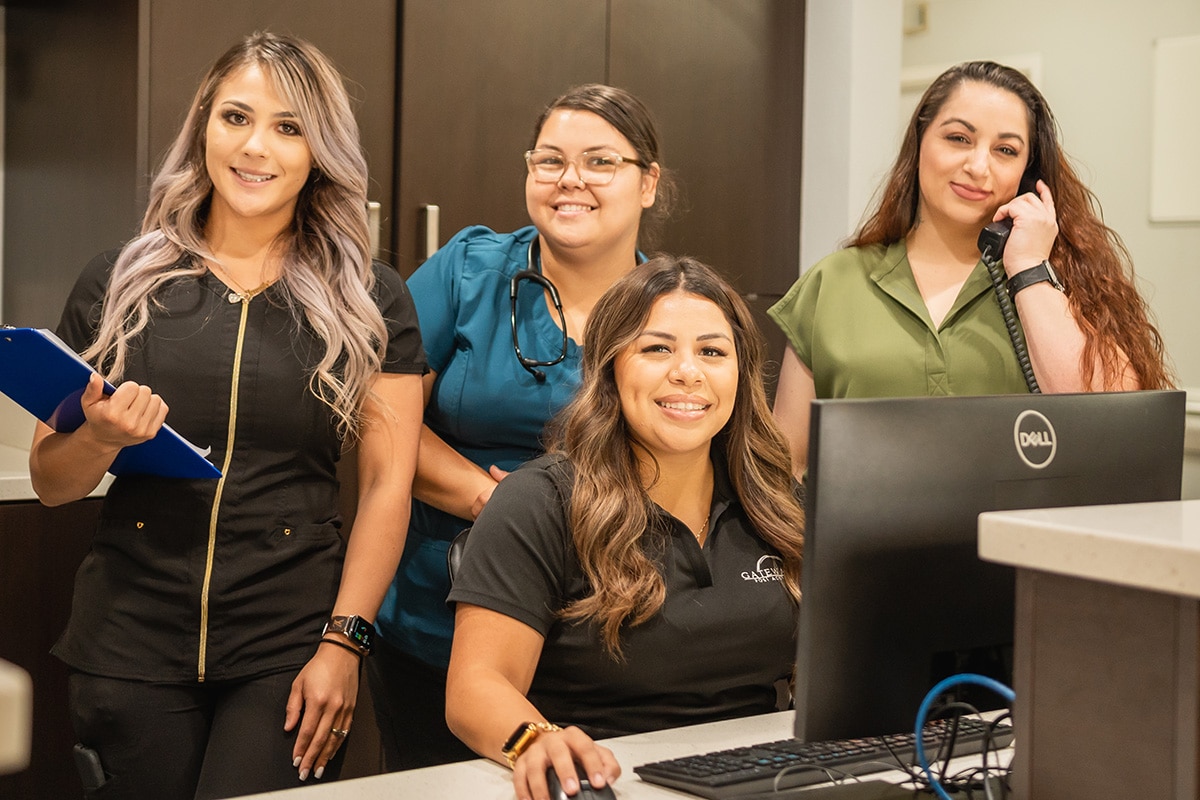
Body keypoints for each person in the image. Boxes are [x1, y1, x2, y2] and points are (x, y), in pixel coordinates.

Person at [28, 32, 425, 799]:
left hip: (290, 644)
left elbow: (386, 487)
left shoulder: (370, 299)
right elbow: (53, 484)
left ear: (319, 151)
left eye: (288, 127)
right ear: (202, 126)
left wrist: (345, 644)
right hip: (128, 640)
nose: (255, 147)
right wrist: (101, 438)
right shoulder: (118, 281)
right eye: (236, 117)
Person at [368, 83, 677, 769]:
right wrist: (496, 501)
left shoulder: (672, 307)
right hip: (436, 620)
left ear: (648, 182)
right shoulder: (467, 271)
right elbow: (381, 425)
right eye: (549, 161)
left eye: (601, 162)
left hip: (604, 635)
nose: (572, 181)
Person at [444, 255, 805, 800]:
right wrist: (536, 740)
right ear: (611, 367)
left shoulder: (777, 503)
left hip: (756, 775)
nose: (688, 372)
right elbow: (475, 689)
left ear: (740, 373)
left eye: (712, 351)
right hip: (604, 778)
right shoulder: (540, 500)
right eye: (657, 348)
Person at [769, 60, 1173, 478]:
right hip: (853, 543)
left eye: (1006, 150)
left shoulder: (1058, 281)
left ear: (1028, 173)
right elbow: (788, 464)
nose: (979, 167)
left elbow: (1121, 426)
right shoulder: (833, 281)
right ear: (920, 143)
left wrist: (1029, 270)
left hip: (1016, 543)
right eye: (959, 138)